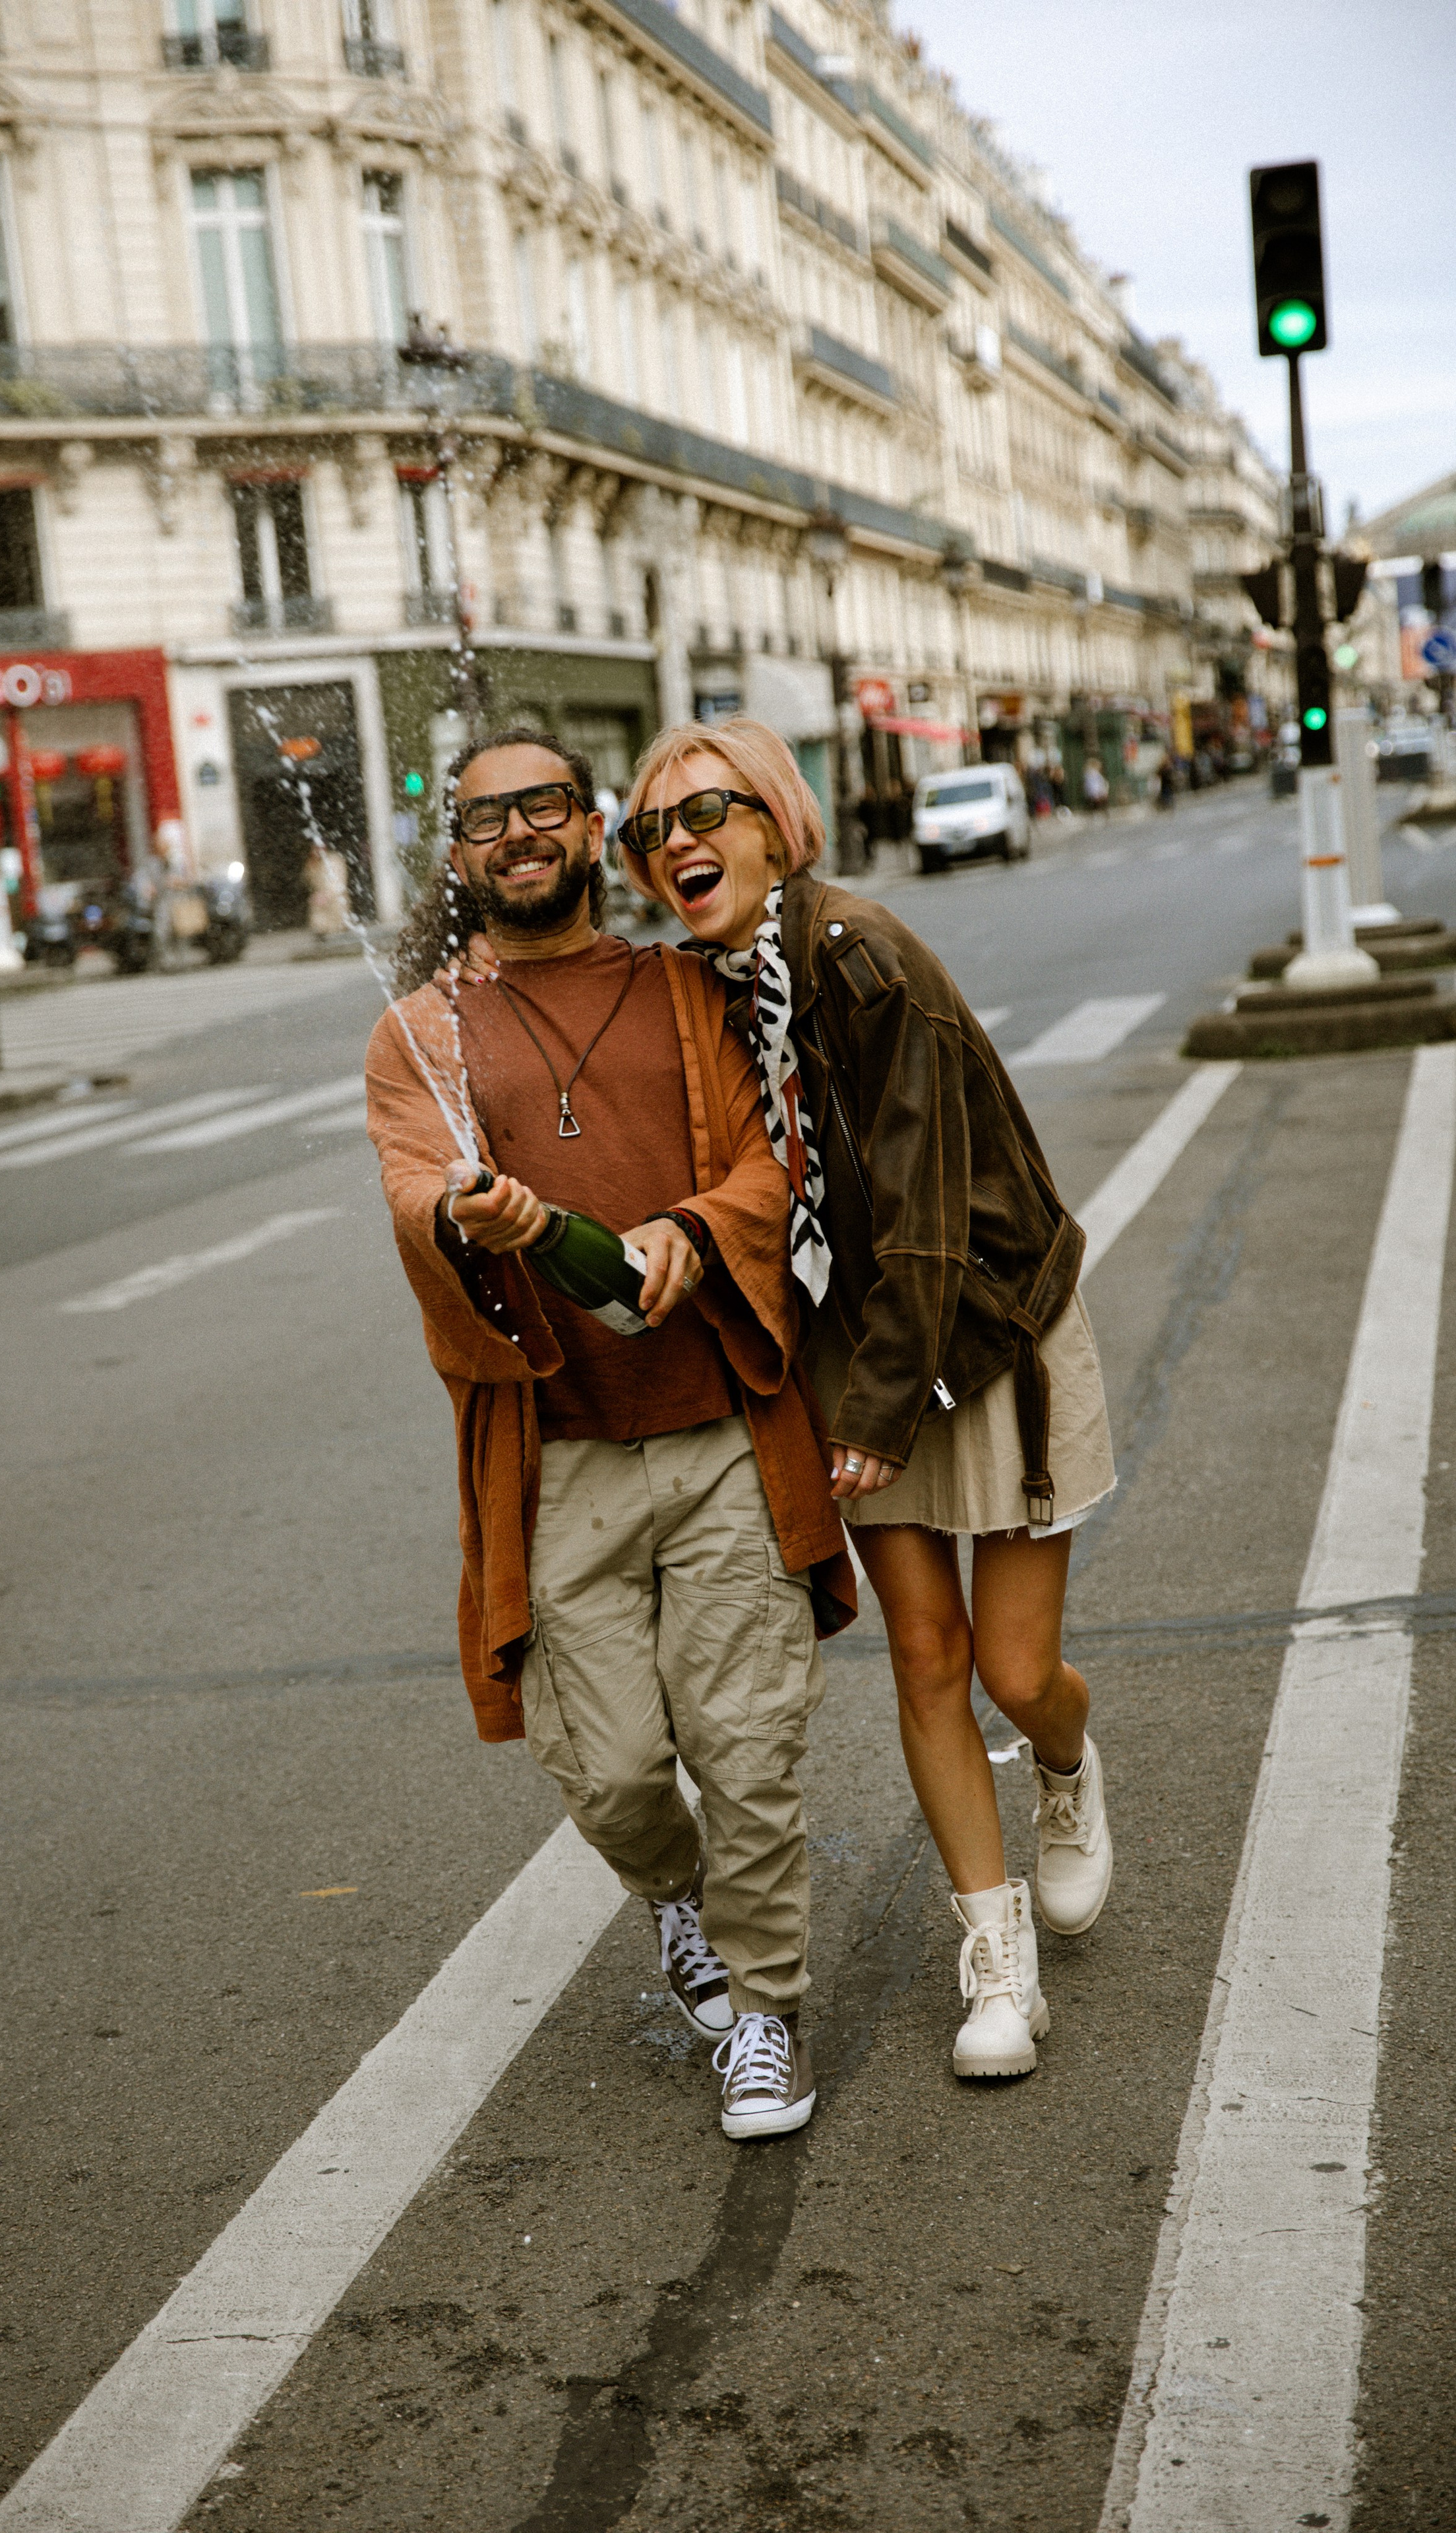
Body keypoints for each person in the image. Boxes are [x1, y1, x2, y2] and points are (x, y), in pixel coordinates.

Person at [365, 726, 856, 2141]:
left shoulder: (688, 987)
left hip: (717, 1430)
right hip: (557, 1451)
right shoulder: (418, 1032)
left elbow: (780, 1154)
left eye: (539, 808)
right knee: (620, 1769)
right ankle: (675, 1903)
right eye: (481, 822)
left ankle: (763, 2016)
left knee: (748, 1743)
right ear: (456, 859)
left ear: (592, 829)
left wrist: (693, 1233)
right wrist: (467, 1219)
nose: (513, 836)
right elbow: (409, 1184)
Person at [609, 716, 1116, 2083]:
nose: (680, 842)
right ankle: (996, 1966)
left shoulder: (858, 958)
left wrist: (880, 1411)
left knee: (1016, 1673)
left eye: (707, 811)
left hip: (984, 1327)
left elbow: (930, 1219)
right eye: (653, 828)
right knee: (925, 1656)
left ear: (777, 822)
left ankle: (1065, 1765)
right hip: (861, 1360)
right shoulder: (708, 990)